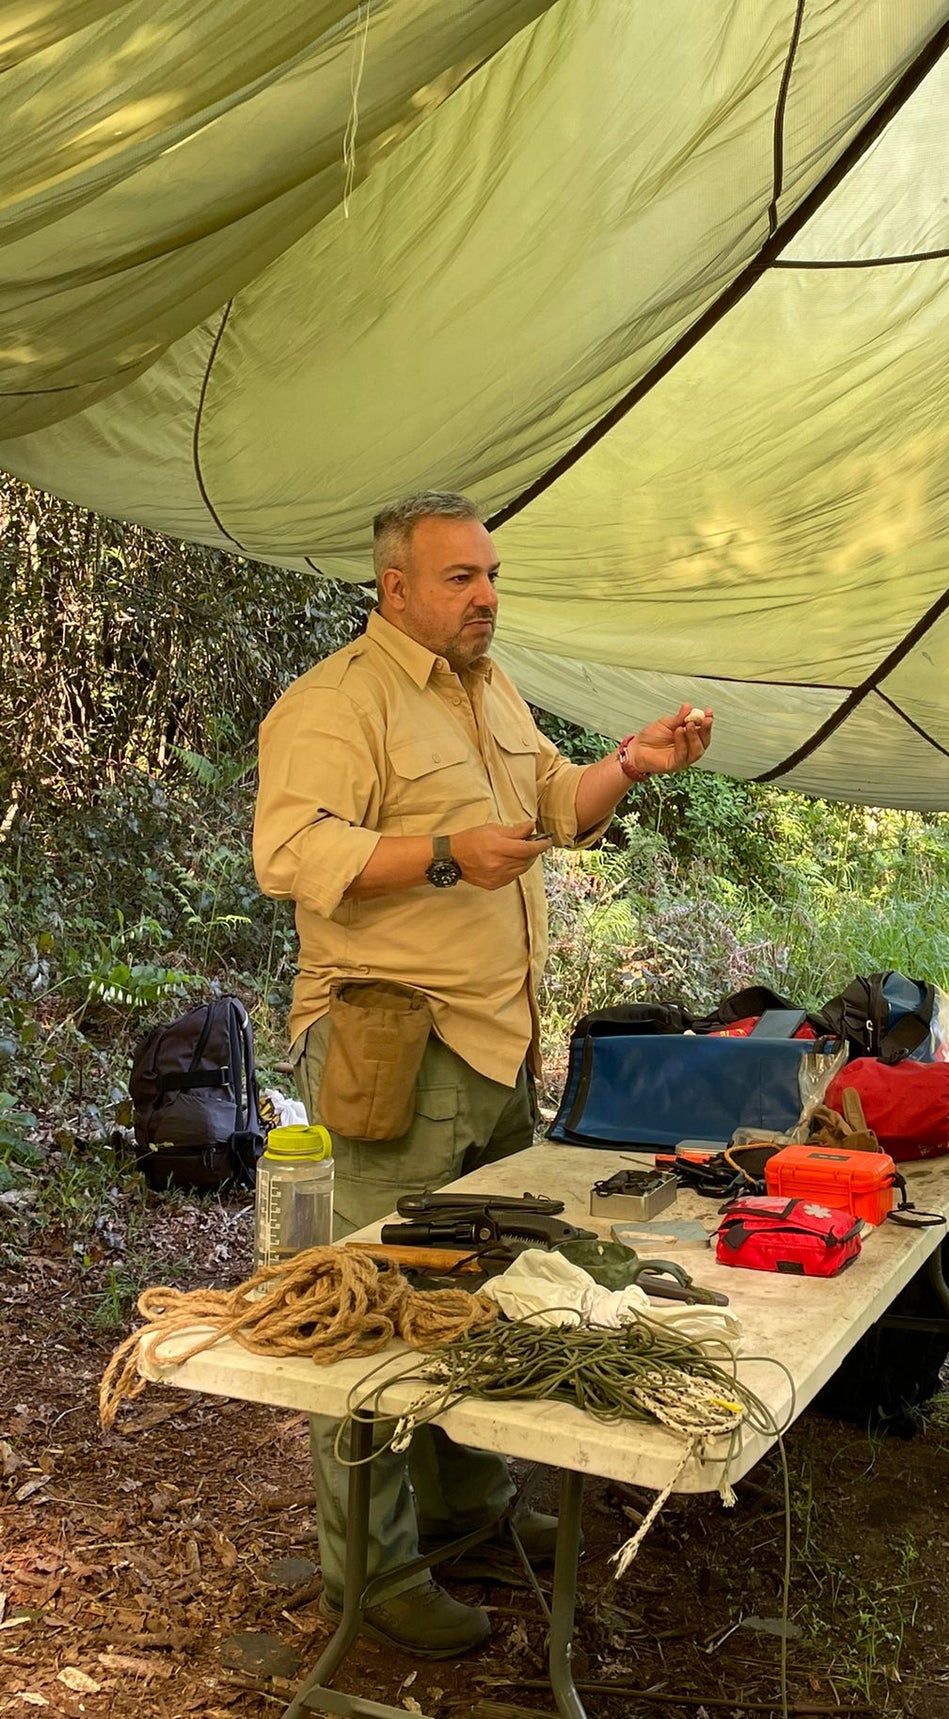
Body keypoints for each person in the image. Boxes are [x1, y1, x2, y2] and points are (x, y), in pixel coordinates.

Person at [252, 491, 712, 1658]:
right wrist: (447, 853)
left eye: (491, 575)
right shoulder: (334, 702)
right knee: (368, 1312)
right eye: (460, 578)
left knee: (473, 1286)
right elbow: (293, 853)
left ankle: (459, 1508)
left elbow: (554, 805)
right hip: (393, 1048)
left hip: (496, 1038)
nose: (486, 597)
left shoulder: (485, 688)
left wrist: (630, 764)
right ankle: (375, 1575)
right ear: (394, 588)